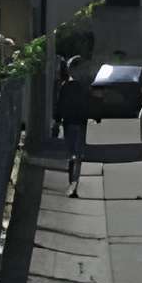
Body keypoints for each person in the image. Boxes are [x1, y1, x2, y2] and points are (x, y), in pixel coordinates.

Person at [56, 58, 96, 197]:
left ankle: (72, 183)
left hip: (70, 123)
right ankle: (74, 183)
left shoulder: (65, 86)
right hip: (79, 122)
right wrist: (95, 115)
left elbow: (60, 105)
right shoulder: (83, 87)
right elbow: (89, 104)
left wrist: (57, 118)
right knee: (77, 156)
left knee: (72, 154)